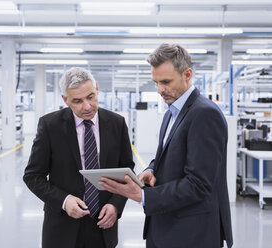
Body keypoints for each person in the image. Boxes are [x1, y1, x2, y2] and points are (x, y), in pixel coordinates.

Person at [99, 43, 233, 248]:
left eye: (166, 81)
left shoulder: (205, 114)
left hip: (192, 233)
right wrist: (152, 169)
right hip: (166, 225)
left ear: (187, 74)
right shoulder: (172, 111)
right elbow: (170, 155)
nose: (160, 90)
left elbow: (199, 184)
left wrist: (142, 195)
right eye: (156, 83)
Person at [23, 67, 135, 248]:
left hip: (103, 226)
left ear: (97, 89)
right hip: (62, 227)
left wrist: (116, 204)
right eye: (77, 101)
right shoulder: (50, 126)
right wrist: (64, 201)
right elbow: (33, 176)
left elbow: (127, 171)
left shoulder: (116, 123)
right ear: (65, 100)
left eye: (91, 96)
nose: (87, 106)